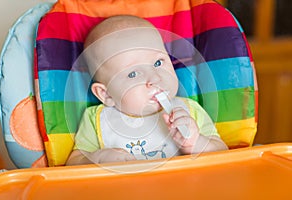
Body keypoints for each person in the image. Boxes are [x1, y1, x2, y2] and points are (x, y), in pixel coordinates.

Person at [66, 15, 228, 165]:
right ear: (106, 94)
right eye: (133, 74)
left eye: (158, 63)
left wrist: (196, 143)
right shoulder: (96, 119)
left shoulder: (189, 111)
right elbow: (73, 163)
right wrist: (100, 158)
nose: (155, 78)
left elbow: (222, 153)